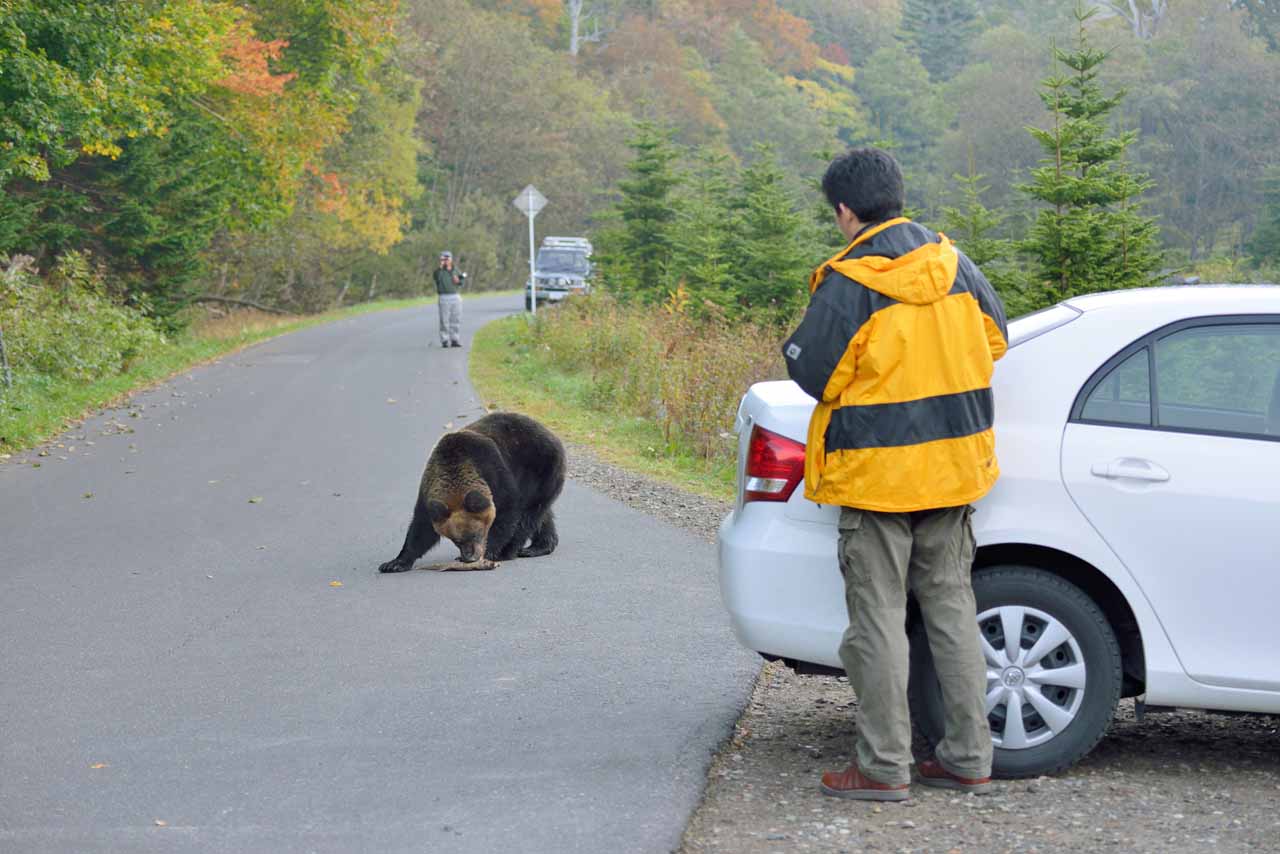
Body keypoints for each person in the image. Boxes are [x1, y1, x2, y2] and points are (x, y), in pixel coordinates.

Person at [782, 147, 1008, 801]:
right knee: (951, 608)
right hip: (954, 470)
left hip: (876, 478)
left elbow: (812, 373)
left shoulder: (849, 280)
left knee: (877, 617)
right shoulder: (954, 262)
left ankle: (883, 768)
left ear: (845, 212)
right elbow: (996, 339)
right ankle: (968, 757)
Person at [433, 250, 467, 348]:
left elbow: (462, 281)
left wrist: (458, 281)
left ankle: (455, 340)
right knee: (444, 320)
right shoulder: (438, 271)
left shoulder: (455, 269)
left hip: (455, 296)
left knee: (456, 319)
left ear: (451, 259)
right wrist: (441, 266)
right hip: (444, 297)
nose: (445, 260)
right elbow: (436, 278)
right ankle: (444, 340)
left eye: (447, 258)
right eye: (443, 258)